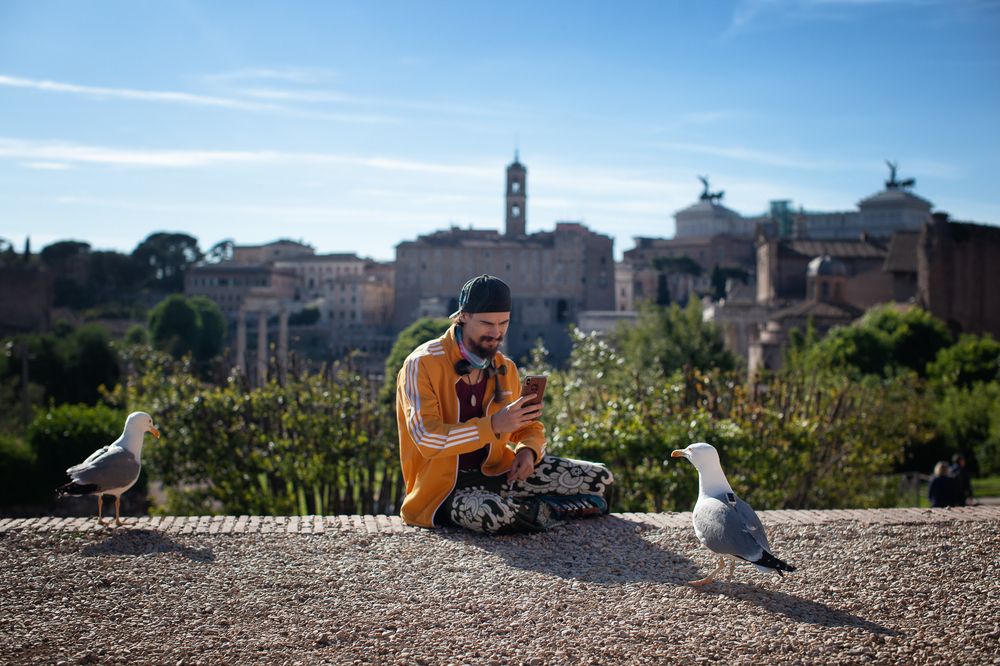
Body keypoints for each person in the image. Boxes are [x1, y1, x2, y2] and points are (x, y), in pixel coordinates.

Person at [395, 274, 613, 533]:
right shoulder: (421, 364)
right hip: (440, 491)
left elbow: (528, 427)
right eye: (487, 323)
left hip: (500, 475)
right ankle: (548, 509)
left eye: (504, 323)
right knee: (492, 512)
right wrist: (493, 425)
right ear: (462, 316)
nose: (496, 332)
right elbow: (427, 440)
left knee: (600, 478)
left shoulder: (504, 367)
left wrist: (527, 451)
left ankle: (535, 512)